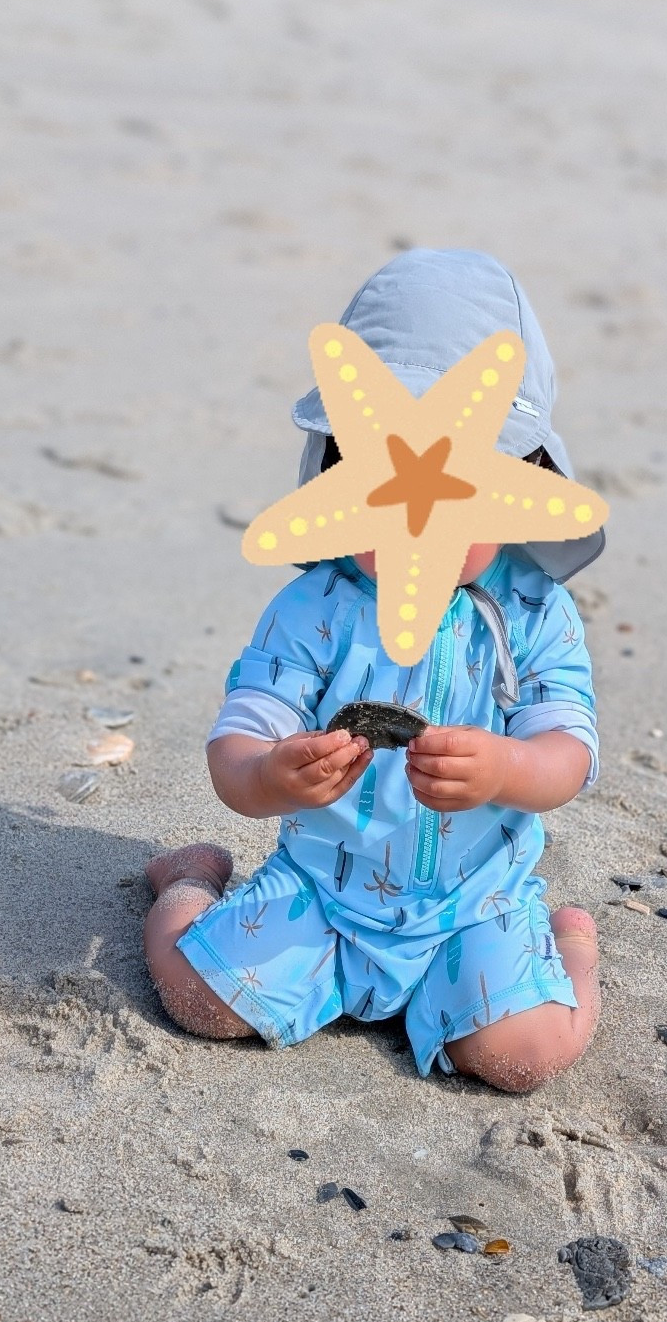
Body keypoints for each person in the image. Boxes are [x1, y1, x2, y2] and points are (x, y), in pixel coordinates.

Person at [140, 249, 605, 1091]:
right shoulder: (315, 606)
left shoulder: (534, 612)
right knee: (197, 998)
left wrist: (506, 766)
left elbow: (566, 756)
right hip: (323, 893)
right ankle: (184, 883)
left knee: (522, 1056)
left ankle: (569, 949)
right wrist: (269, 775)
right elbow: (238, 746)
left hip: (474, 905)